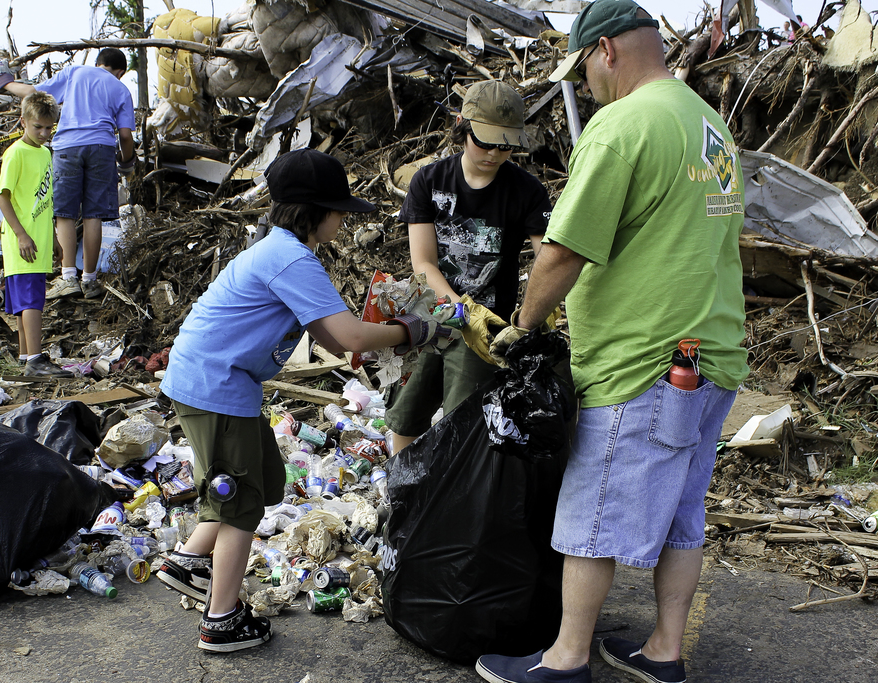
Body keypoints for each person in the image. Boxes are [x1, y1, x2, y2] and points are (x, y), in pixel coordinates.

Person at [476, 1, 748, 682]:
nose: (587, 87)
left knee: (590, 511)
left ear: (607, 52)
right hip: (710, 354)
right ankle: (664, 649)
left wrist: (523, 325)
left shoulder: (622, 126)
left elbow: (565, 251)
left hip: (642, 360)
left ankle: (566, 660)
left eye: (584, 71)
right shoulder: (708, 124)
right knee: (685, 512)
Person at [153, 148, 445, 653]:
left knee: (261, 481)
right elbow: (350, 336)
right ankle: (221, 620)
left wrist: (385, 337)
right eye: (339, 212)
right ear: (317, 211)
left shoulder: (280, 250)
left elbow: (332, 340)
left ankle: (190, 558)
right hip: (215, 384)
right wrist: (409, 330)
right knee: (241, 501)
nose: (341, 221)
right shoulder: (290, 257)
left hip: (219, 381)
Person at [384, 80, 552, 455]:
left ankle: (451, 500)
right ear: (462, 127)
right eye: (485, 142)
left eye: (505, 145)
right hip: (430, 312)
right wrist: (460, 308)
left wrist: (536, 312)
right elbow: (423, 262)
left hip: (485, 329)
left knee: (464, 421)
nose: (494, 153)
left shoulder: (526, 191)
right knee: (406, 415)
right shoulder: (429, 181)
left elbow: (547, 258)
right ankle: (401, 494)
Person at [0, 48, 135, 300]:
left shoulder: (75, 73)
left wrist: (6, 83)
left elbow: (32, 93)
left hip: (67, 146)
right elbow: (125, 136)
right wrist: (126, 163)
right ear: (120, 72)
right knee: (94, 215)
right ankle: (90, 281)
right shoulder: (120, 89)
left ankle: (68, 277)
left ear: (97, 62)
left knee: (65, 213)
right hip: (102, 148)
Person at [0, 92, 72, 378]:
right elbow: (3, 197)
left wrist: (52, 238)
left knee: (22, 301)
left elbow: (44, 201)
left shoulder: (44, 153)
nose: (43, 133)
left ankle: (26, 355)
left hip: (38, 238)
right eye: (37, 127)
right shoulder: (16, 153)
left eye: (48, 128)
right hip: (22, 240)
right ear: (23, 122)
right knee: (31, 300)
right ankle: (37, 360)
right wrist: (22, 235)